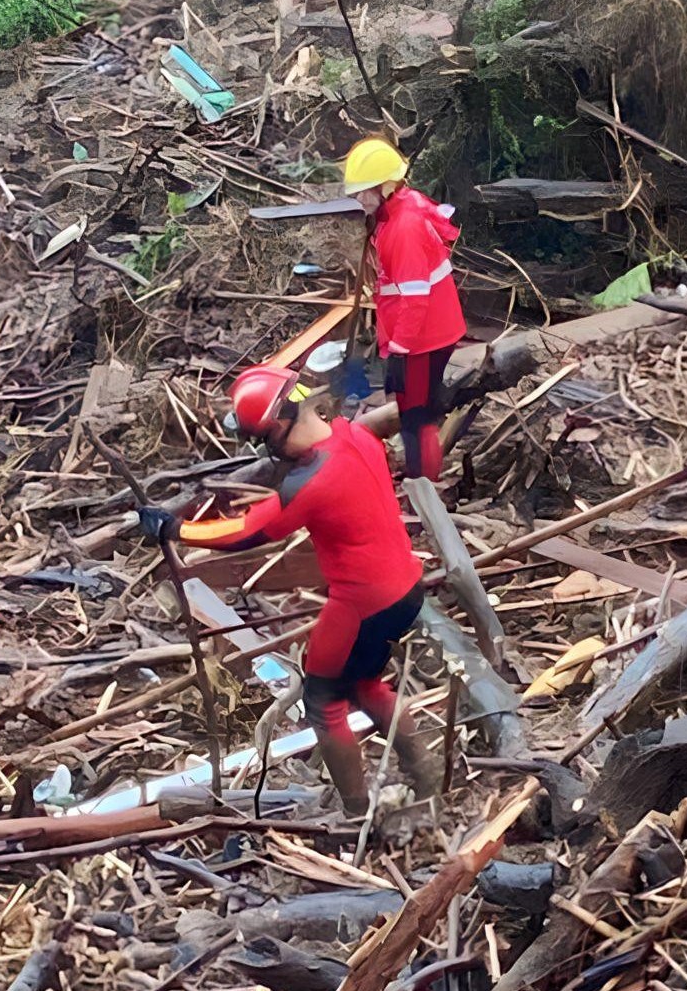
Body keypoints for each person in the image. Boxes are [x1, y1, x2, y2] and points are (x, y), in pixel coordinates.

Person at [137, 365, 440, 814]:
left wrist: (175, 528)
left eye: (265, 441)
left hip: (362, 604)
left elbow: (246, 532)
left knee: (323, 702)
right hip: (405, 588)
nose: (269, 452)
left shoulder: (310, 482)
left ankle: (356, 812)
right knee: (365, 683)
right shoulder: (356, 437)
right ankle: (428, 775)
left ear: (279, 426)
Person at [344, 136, 467, 481]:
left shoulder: (404, 227)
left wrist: (399, 348)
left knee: (416, 418)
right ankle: (421, 477)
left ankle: (423, 487)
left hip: (422, 338)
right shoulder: (401, 207)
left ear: (384, 186)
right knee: (416, 411)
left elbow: (415, 298)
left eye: (364, 191)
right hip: (427, 332)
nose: (358, 198)